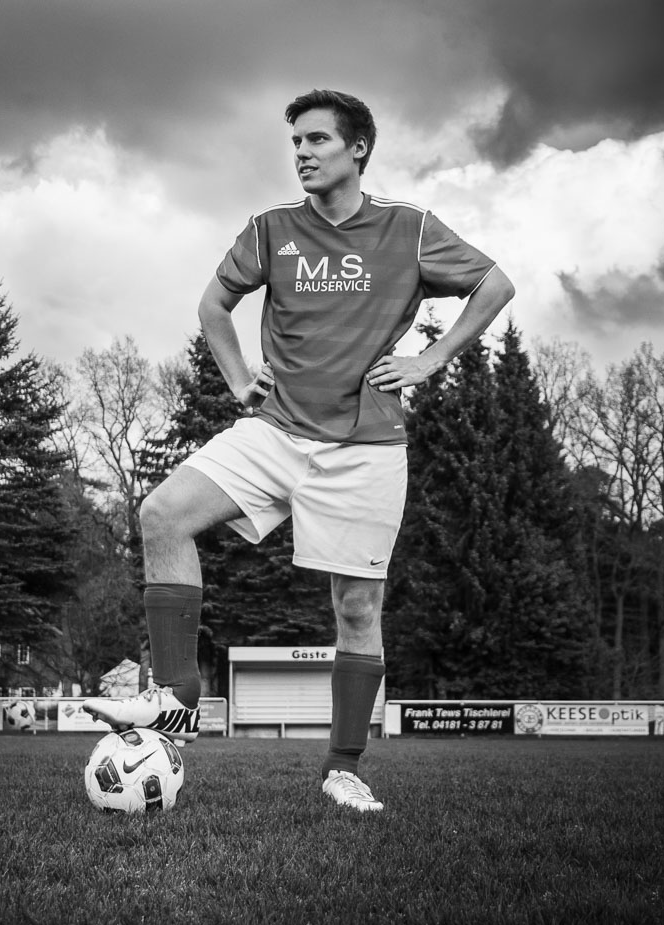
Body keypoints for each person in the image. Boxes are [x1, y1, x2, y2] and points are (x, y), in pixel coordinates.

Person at [84, 89, 514, 811]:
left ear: (358, 149)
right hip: (275, 430)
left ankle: (343, 767)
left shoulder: (408, 231)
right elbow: (212, 306)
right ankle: (177, 697)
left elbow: (495, 285)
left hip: (366, 446)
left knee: (355, 608)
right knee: (162, 515)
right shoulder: (271, 230)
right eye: (296, 144)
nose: (303, 154)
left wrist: (431, 359)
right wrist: (238, 379)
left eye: (317, 141)